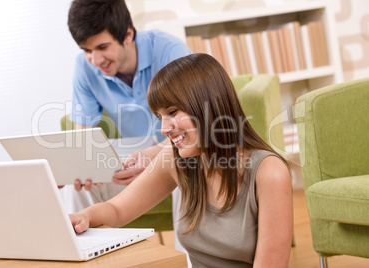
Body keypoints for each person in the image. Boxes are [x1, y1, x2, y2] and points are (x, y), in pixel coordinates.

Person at [69, 53, 294, 267]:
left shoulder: (269, 172)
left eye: (173, 112)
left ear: (210, 106)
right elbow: (117, 211)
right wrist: (84, 216)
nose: (164, 129)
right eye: (159, 117)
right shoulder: (176, 160)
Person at [60, 0, 191, 214]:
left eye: (103, 47)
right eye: (87, 50)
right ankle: (89, 247)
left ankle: (186, 250)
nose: (95, 59)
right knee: (80, 186)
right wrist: (77, 167)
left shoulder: (170, 51)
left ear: (128, 35)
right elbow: (83, 138)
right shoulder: (84, 67)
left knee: (183, 163)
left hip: (177, 148)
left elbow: (193, 124)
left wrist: (156, 153)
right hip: (133, 157)